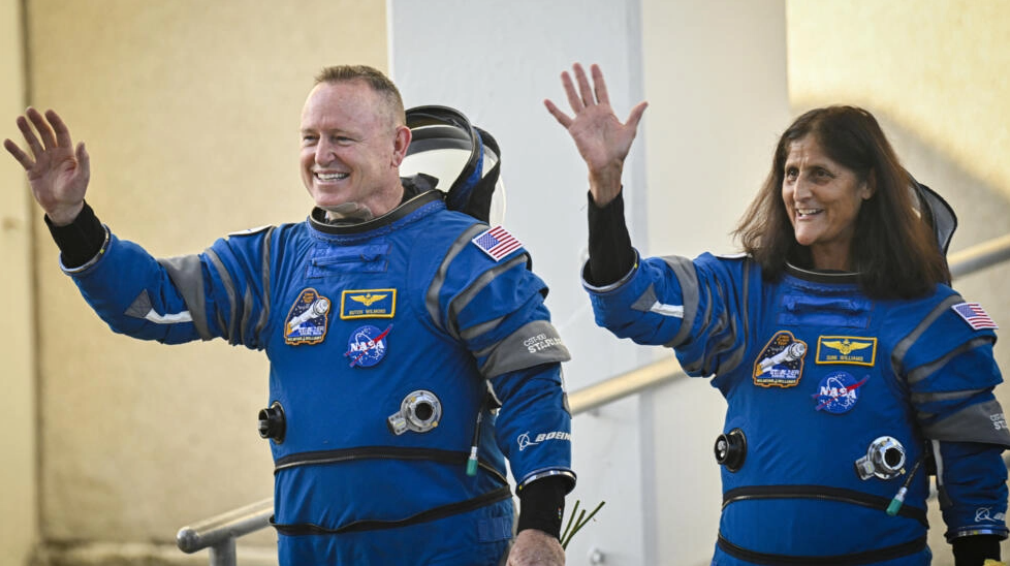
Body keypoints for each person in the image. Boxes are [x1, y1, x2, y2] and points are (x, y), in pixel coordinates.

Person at [5, 64, 575, 566]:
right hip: (310, 548)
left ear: (398, 146)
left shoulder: (464, 254)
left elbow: (532, 386)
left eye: (342, 138)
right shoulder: (273, 261)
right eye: (310, 137)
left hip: (445, 547)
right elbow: (152, 304)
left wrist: (540, 527)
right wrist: (72, 220)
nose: (321, 156)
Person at [545, 62, 1010, 565]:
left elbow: (971, 460)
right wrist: (606, 188)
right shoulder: (742, 293)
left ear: (868, 184)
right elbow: (629, 303)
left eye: (820, 174)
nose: (799, 192)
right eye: (790, 174)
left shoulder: (926, 314)